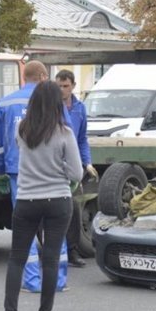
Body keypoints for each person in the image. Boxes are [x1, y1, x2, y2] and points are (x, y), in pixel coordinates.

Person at [0, 80, 82, 311]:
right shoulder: (65, 134)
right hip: (58, 200)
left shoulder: (21, 129)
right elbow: (76, 172)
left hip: (27, 200)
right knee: (50, 260)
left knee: (17, 258)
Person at [0, 61, 70, 293]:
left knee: (25, 227)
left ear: (24, 77)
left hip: (18, 172)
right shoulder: (53, 102)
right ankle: (58, 281)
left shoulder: (5, 103)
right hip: (53, 173)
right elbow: (67, 132)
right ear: (43, 76)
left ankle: (32, 281)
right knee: (55, 228)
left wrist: (0, 171)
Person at [55, 69, 98, 268]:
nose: (62, 90)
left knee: (73, 209)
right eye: (59, 86)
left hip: (73, 164)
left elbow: (82, 139)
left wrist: (87, 162)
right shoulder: (52, 107)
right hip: (55, 163)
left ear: (73, 86)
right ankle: (55, 249)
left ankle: (71, 250)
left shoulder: (79, 108)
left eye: (65, 86)